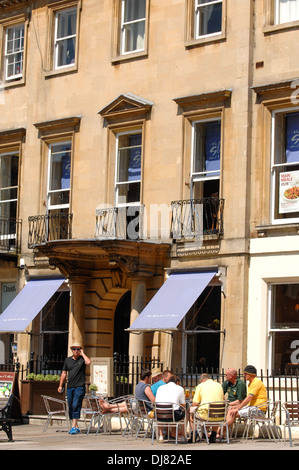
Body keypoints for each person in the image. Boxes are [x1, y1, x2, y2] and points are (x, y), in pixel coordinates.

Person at [58, 343, 91, 434]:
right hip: (70, 386)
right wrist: (60, 385)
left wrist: (83, 354)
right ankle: (76, 426)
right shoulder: (67, 360)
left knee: (76, 404)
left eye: (77, 349)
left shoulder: (82, 359)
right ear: (71, 350)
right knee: (71, 406)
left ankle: (73, 426)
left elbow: (88, 362)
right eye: (74, 349)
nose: (76, 351)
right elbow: (64, 373)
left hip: (79, 386)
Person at [226, 365, 268, 429]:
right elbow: (248, 400)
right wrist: (237, 406)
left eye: (245, 373)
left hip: (258, 410)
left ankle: (220, 431)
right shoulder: (250, 383)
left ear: (251, 374)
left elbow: (249, 398)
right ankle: (224, 433)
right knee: (230, 410)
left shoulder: (256, 382)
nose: (244, 375)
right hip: (252, 408)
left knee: (233, 414)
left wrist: (238, 408)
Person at [189, 373, 224, 443]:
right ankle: (213, 435)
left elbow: (195, 403)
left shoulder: (200, 386)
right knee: (215, 411)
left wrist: (198, 403)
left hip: (206, 415)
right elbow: (223, 398)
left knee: (191, 414)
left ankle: (195, 434)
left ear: (202, 380)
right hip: (220, 415)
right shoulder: (219, 385)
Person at [155, 374, 186, 442]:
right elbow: (183, 405)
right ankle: (183, 436)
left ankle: (161, 436)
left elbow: (156, 402)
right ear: (177, 382)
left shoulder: (160, 388)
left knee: (160, 410)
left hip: (159, 415)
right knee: (184, 412)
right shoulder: (180, 388)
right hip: (173, 416)